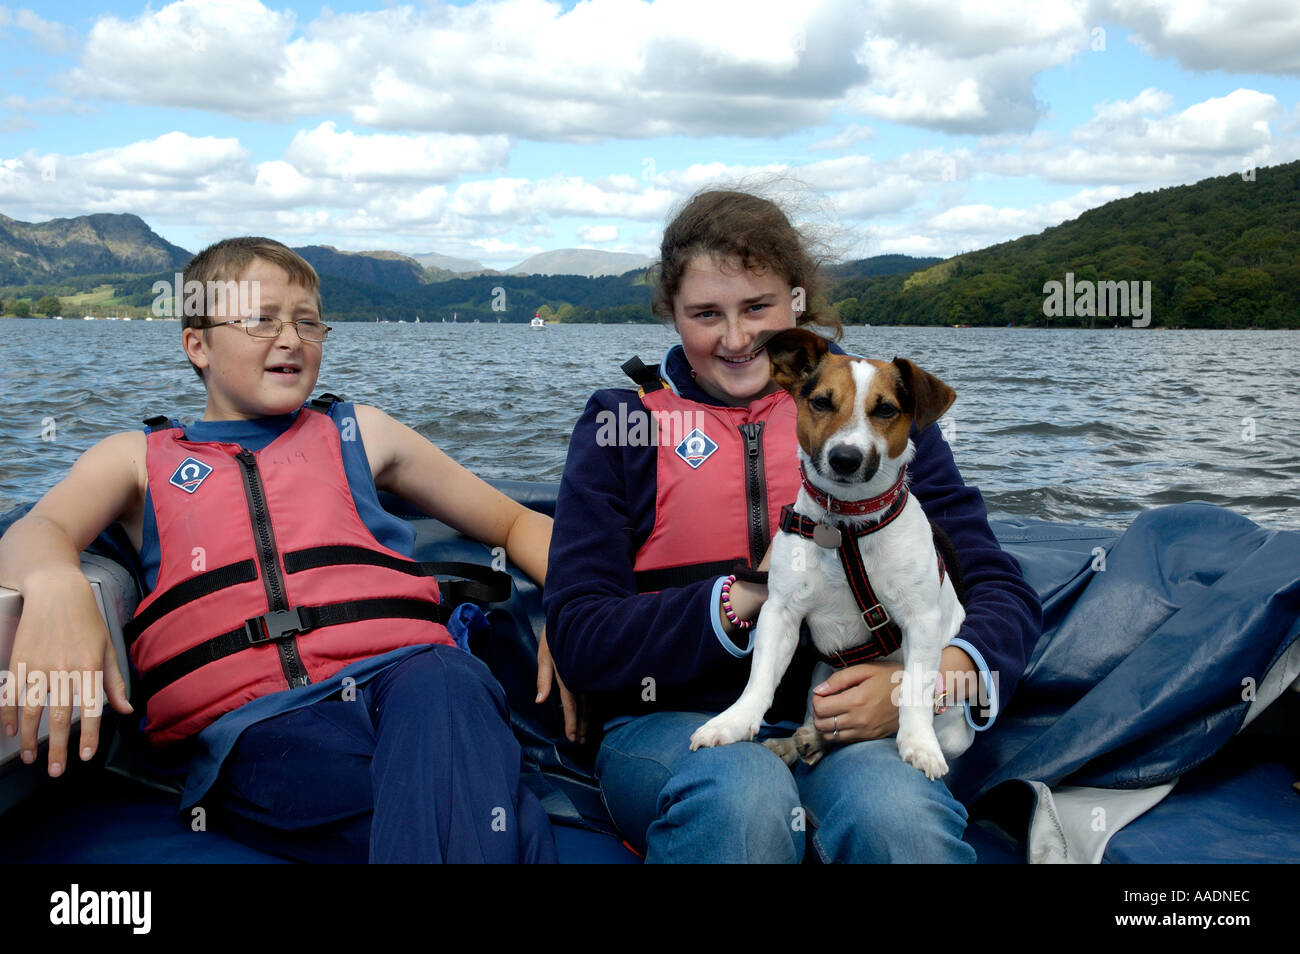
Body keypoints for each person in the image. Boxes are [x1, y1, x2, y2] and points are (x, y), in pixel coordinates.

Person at [0, 237, 556, 863]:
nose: (291, 338)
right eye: (261, 320)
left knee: (448, 676)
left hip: (412, 679)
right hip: (262, 726)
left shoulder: (363, 433)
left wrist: (570, 608)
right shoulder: (135, 459)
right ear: (198, 345)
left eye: (307, 321)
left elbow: (516, 524)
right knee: (505, 823)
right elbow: (36, 529)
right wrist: (55, 584)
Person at [541, 189, 1043, 863]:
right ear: (668, 312)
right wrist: (742, 597)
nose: (738, 338)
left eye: (758, 308)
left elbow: (995, 588)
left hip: (849, 728)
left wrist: (921, 686)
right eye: (704, 314)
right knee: (742, 797)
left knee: (900, 819)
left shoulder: (881, 419)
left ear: (797, 302)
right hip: (666, 724)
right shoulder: (621, 424)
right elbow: (579, 636)